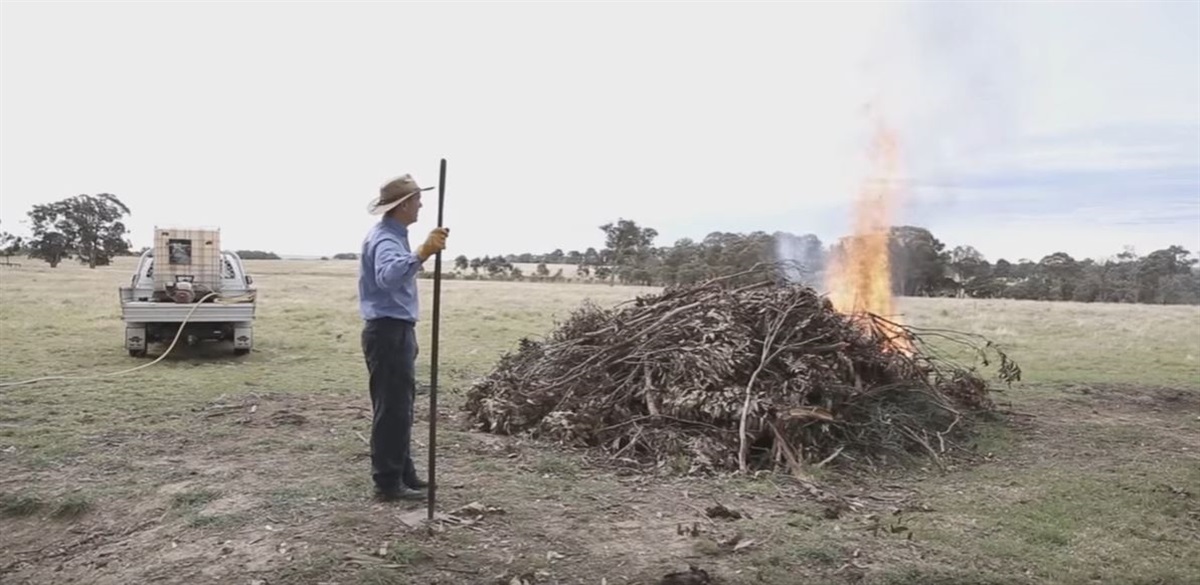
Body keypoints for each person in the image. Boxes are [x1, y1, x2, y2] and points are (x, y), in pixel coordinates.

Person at [358, 173, 449, 502]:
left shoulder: (394, 235)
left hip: (394, 330)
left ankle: (402, 472)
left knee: (401, 406)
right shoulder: (385, 238)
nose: (421, 204)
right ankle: (387, 482)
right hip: (387, 331)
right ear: (403, 205)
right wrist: (422, 252)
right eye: (416, 199)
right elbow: (387, 277)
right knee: (393, 408)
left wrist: (419, 251)